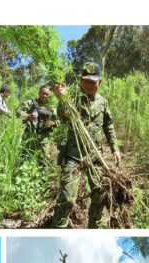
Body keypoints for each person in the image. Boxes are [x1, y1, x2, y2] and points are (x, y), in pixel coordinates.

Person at [51, 62, 121, 229]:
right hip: (74, 156)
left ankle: (93, 229)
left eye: (93, 81)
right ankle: (58, 228)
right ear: (81, 81)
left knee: (100, 195)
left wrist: (115, 148)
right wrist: (61, 99)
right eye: (86, 81)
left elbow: (108, 126)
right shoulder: (72, 98)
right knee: (67, 197)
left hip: (95, 156)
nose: (89, 85)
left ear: (100, 82)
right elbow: (62, 117)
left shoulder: (103, 102)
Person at [16, 84, 59, 158]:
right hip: (29, 136)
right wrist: (28, 116)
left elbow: (59, 120)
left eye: (47, 94)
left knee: (44, 159)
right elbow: (18, 112)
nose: (45, 95)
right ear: (39, 93)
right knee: (25, 156)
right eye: (43, 93)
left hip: (44, 138)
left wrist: (53, 123)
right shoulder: (31, 103)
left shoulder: (51, 108)